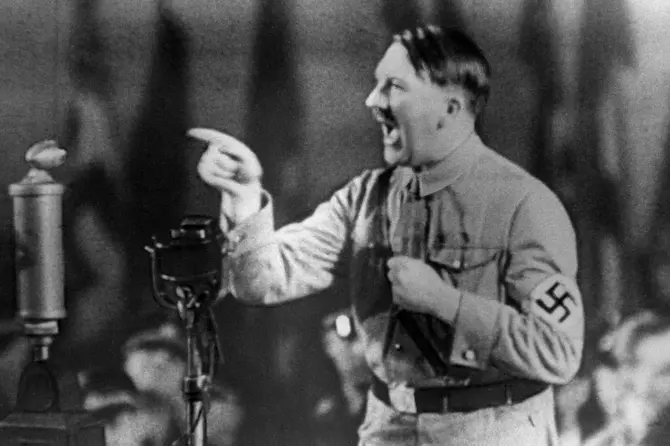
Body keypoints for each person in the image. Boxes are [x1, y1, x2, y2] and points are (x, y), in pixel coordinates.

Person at [192, 24, 584, 446]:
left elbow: (558, 353)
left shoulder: (524, 206)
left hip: (494, 430)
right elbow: (261, 281)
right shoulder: (364, 199)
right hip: (390, 426)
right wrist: (245, 196)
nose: (372, 100)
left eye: (394, 87)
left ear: (450, 108)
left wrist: (444, 301)